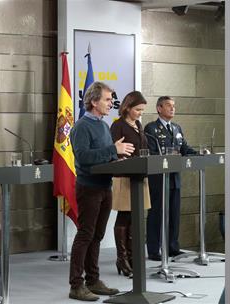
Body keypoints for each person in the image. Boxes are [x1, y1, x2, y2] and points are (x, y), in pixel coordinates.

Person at [69, 82, 135, 301]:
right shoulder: (81, 126)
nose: (111, 103)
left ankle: (93, 280)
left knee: (97, 235)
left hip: (105, 187)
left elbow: (103, 156)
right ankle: (76, 285)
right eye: (107, 99)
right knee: (85, 234)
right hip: (89, 188)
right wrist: (112, 150)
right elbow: (84, 157)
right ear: (94, 101)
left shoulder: (104, 126)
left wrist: (117, 158)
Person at [144, 96, 196, 261]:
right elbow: (152, 153)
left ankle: (172, 247)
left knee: (174, 213)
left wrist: (199, 154)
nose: (172, 109)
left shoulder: (176, 127)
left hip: (174, 177)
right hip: (159, 178)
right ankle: (153, 250)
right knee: (157, 213)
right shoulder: (151, 128)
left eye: (174, 106)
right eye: (168, 106)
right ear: (159, 108)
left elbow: (184, 148)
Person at [109, 91, 151, 277]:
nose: (140, 113)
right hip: (124, 176)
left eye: (142, 110)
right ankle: (122, 258)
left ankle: (133, 257)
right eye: (137, 110)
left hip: (139, 176)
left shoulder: (138, 125)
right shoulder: (117, 125)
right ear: (127, 107)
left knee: (136, 217)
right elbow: (113, 151)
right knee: (124, 216)